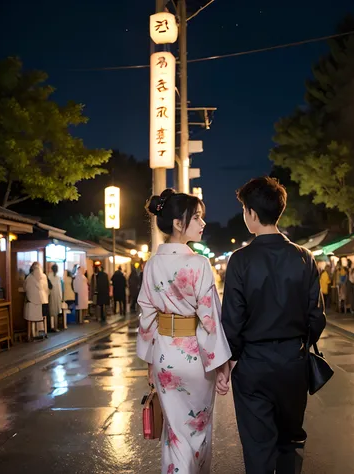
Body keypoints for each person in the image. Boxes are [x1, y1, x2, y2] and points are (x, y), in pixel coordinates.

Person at [219, 177, 326, 474]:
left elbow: (232, 320)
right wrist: (299, 344)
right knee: (290, 440)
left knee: (258, 445)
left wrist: (231, 359)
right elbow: (317, 317)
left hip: (254, 363)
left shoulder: (240, 260)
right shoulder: (304, 257)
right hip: (294, 361)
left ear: (251, 213)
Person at [136, 188, 231, 474]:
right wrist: (223, 366)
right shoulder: (198, 264)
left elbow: (146, 315)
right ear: (179, 223)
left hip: (165, 355)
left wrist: (150, 361)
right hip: (195, 360)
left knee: (175, 432)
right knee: (197, 428)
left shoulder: (152, 264)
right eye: (197, 217)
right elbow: (210, 318)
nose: (203, 224)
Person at [23, 262, 48, 341]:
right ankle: (42, 333)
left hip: (30, 302)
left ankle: (30, 335)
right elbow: (46, 289)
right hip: (42, 300)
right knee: (41, 318)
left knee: (30, 319)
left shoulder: (29, 277)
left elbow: (25, 288)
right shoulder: (43, 277)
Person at [48, 264, 63, 331]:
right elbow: (60, 289)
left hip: (50, 295)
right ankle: (55, 327)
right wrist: (61, 297)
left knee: (51, 311)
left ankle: (51, 326)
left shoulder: (49, 276)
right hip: (56, 295)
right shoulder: (58, 278)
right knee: (56, 312)